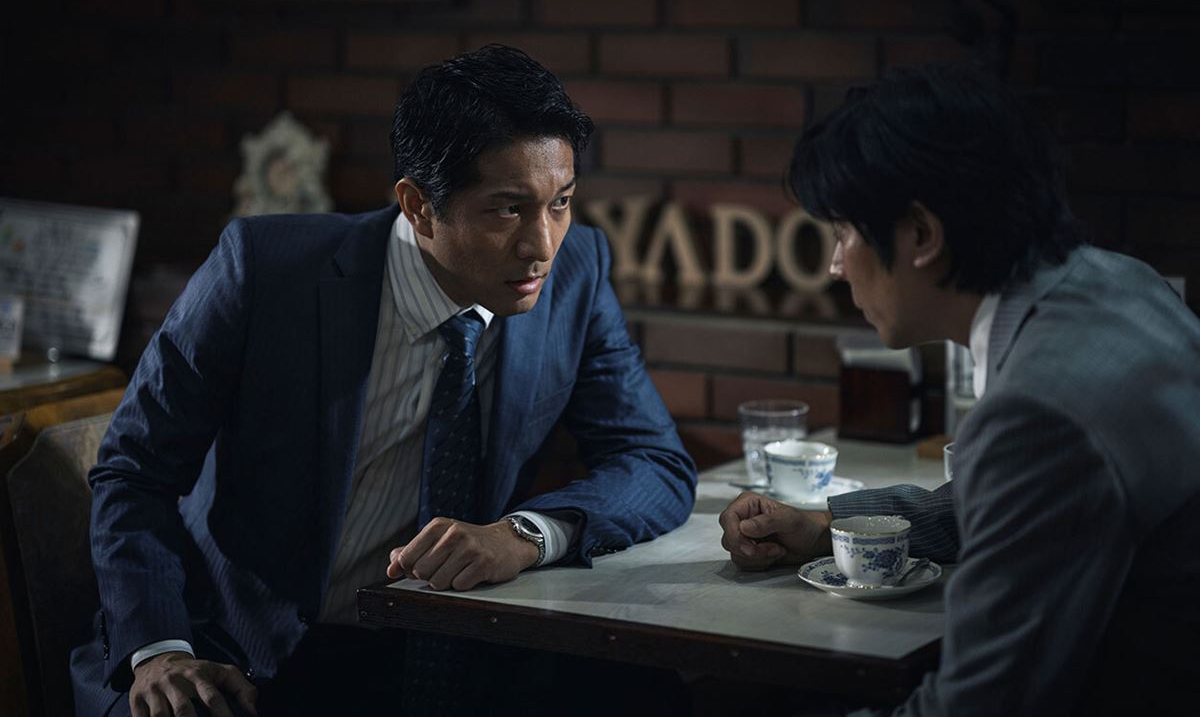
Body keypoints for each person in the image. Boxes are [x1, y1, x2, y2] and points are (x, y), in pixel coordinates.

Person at [71, 45, 697, 716]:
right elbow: (135, 471)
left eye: (561, 203)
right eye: (507, 209)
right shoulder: (264, 271)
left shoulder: (575, 273)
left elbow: (653, 462)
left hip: (453, 646)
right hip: (237, 645)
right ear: (418, 206)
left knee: (653, 693)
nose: (542, 245)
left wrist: (524, 534)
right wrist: (160, 649)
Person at [719, 62, 1200, 715]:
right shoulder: (1116, 280)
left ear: (921, 235)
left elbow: (980, 703)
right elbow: (1025, 504)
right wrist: (827, 527)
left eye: (844, 233)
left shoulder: (1041, 408)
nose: (835, 266)